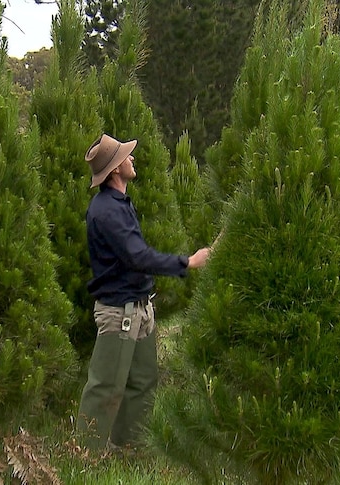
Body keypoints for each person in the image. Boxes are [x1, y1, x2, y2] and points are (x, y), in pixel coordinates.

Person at [77, 133, 212, 452]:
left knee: (143, 382)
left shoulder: (120, 204)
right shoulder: (106, 211)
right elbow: (138, 256)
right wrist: (188, 262)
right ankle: (83, 455)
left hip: (139, 309)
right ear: (114, 171)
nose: (132, 158)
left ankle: (128, 447)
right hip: (119, 312)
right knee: (106, 387)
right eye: (126, 156)